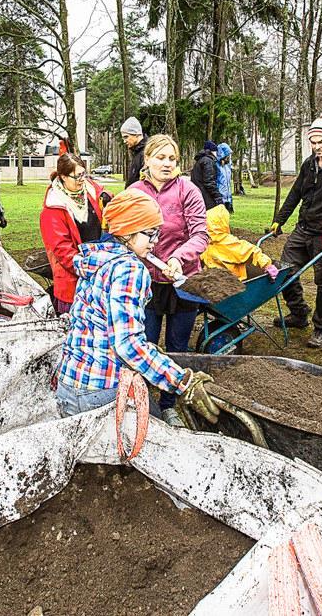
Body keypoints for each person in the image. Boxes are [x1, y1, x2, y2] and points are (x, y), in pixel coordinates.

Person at [53, 188, 219, 423]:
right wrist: (182, 382)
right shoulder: (130, 269)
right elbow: (127, 344)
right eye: (150, 234)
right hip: (102, 391)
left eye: (157, 234)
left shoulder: (95, 261)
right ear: (127, 232)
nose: (155, 242)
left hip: (69, 387)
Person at [130, 134, 209, 426]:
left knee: (177, 346)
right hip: (147, 282)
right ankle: (142, 403)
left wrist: (178, 257)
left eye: (171, 158)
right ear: (147, 159)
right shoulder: (136, 191)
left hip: (182, 282)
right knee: (144, 343)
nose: (166, 163)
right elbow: (124, 233)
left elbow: (201, 234)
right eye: (160, 157)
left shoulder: (189, 190)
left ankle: (169, 404)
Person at [268, 114, 322, 348]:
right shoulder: (309, 164)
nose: (317, 147)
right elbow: (295, 193)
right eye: (313, 142)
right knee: (284, 270)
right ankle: (299, 313)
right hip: (303, 228)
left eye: (321, 142)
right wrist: (279, 220)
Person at [39, 153, 109, 314]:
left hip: (98, 276)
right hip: (73, 283)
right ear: (63, 177)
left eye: (83, 174)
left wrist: (107, 197)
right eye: (77, 176)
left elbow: (103, 195)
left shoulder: (90, 190)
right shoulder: (53, 208)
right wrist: (89, 267)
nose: (82, 180)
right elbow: (62, 250)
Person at [200, 204, 279, 281]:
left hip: (233, 281)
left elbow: (253, 251)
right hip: (213, 281)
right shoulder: (206, 243)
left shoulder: (230, 243)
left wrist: (267, 265)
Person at [190, 140, 222, 210]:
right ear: (212, 151)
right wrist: (217, 196)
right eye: (216, 151)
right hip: (205, 196)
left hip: (197, 194)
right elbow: (209, 181)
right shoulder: (208, 161)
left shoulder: (200, 160)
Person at [120, 116, 149, 187]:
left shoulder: (147, 153)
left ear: (136, 134)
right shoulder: (137, 152)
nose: (124, 141)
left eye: (126, 137)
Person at [216, 142, 234, 212]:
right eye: (227, 154)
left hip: (227, 197)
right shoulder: (216, 165)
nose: (229, 157)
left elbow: (228, 183)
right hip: (220, 197)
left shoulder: (227, 166)